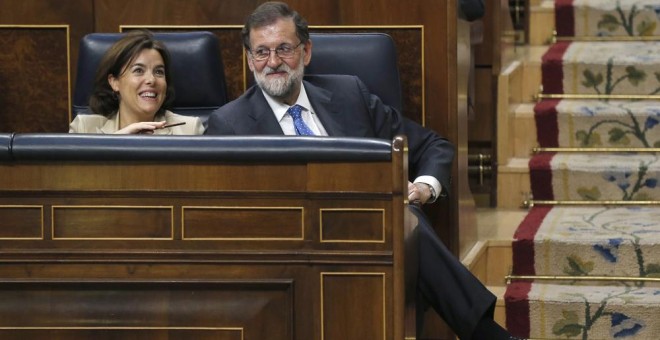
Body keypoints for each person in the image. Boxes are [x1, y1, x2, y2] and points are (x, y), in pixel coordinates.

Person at [205, 2, 513, 339]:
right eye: (261, 52)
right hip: (291, 244)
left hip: (374, 229)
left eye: (284, 49)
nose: (273, 62)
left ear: (306, 52)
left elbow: (432, 145)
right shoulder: (229, 124)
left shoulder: (349, 93)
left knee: (404, 219)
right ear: (249, 60)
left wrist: (424, 187)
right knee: (405, 224)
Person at [69, 30, 204, 135]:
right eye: (138, 70)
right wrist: (115, 143)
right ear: (114, 82)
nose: (151, 80)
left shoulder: (189, 130)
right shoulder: (85, 128)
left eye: (159, 72)